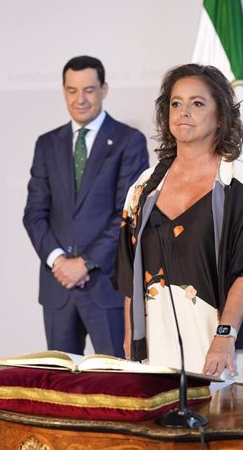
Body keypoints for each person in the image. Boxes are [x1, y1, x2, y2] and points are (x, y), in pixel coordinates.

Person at [113, 64, 243, 388]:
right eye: (176, 103)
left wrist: (225, 335)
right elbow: (128, 271)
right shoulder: (144, 188)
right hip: (161, 345)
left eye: (197, 103)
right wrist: (131, 340)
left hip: (230, 345)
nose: (183, 112)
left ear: (220, 116)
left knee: (235, 437)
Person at [23, 55, 149, 358]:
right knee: (60, 389)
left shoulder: (128, 141)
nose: (80, 99)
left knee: (116, 383)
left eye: (89, 90)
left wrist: (84, 263)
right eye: (72, 90)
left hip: (105, 286)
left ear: (104, 89)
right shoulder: (47, 144)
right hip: (58, 288)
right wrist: (58, 261)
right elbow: (34, 213)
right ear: (64, 91)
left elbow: (128, 214)